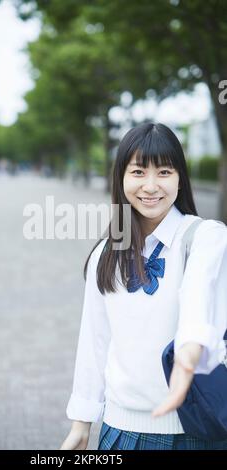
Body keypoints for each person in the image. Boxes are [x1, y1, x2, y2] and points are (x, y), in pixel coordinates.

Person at [60, 122, 227, 450]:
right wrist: (81, 424)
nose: (151, 186)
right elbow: (94, 341)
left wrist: (187, 355)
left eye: (164, 172)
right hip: (119, 432)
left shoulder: (207, 237)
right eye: (138, 172)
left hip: (195, 432)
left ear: (181, 178)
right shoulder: (105, 254)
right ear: (121, 178)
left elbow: (197, 301)